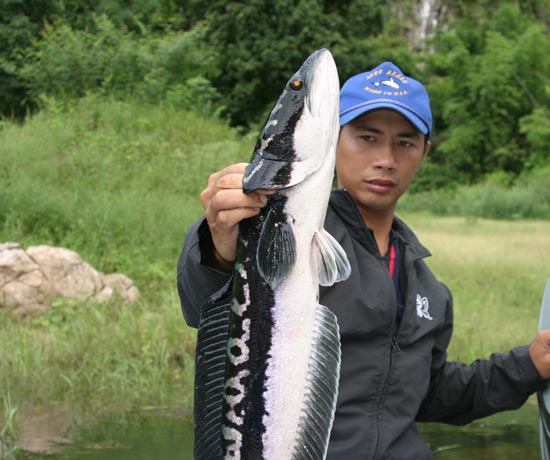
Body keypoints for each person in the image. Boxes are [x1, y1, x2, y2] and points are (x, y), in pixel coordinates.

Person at [177, 61, 550, 459]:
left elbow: (430, 393)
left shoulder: (426, 286)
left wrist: (529, 364)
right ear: (333, 138)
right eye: (367, 138)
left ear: (424, 152)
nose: (386, 159)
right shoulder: (280, 224)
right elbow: (204, 300)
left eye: (404, 143)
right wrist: (218, 245)